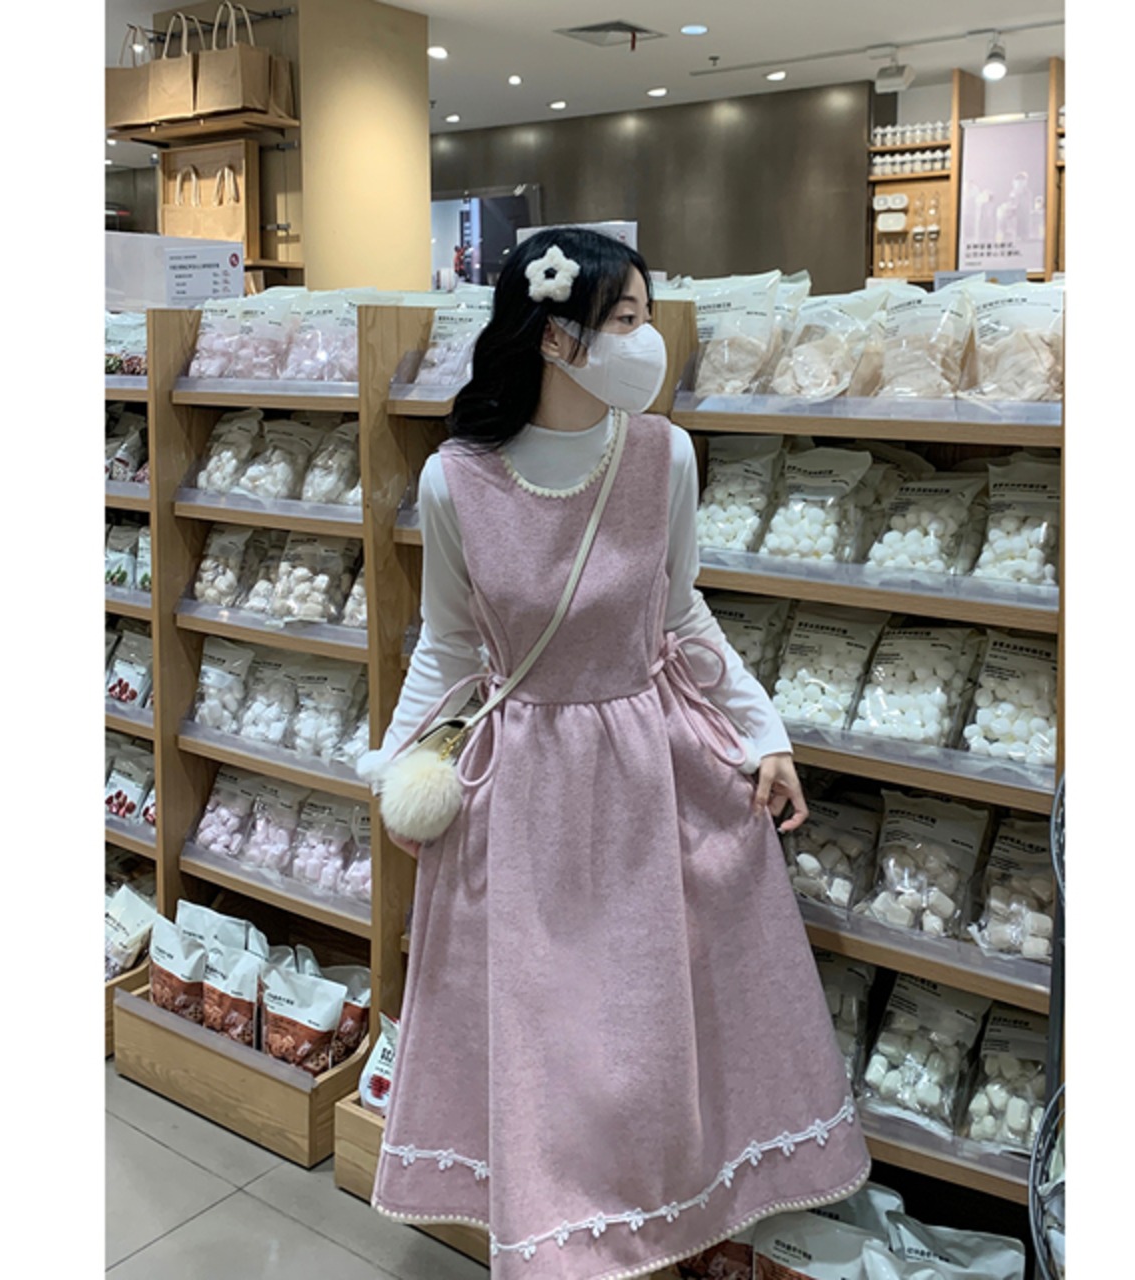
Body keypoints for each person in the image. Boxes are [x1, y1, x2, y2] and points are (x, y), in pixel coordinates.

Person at [358, 227, 870, 1279]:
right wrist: (399, 767)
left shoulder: (661, 455)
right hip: (524, 788)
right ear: (556, 337)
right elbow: (447, 646)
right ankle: (560, 1240)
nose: (647, 337)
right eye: (627, 317)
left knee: (646, 1025)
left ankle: (657, 1227)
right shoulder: (455, 480)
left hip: (649, 770)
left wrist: (762, 732)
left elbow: (681, 614)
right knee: (546, 1036)